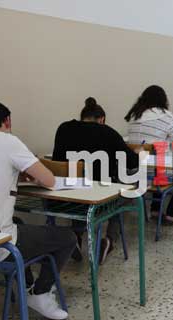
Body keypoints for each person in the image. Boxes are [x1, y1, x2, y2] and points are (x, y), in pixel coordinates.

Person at [0, 100, 75, 320]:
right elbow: (49, 180)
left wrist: (14, 173)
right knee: (67, 238)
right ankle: (40, 293)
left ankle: (25, 285)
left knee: (19, 223)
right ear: (6, 121)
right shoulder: (7, 141)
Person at [53, 97, 140, 263]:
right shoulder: (108, 132)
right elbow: (132, 162)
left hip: (67, 198)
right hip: (99, 202)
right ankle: (109, 239)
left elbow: (57, 160)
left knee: (79, 182)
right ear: (102, 119)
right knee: (128, 190)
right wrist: (136, 153)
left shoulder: (64, 128)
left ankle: (75, 236)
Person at [126, 85, 173, 223]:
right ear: (163, 100)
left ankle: (155, 210)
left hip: (134, 173)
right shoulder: (165, 116)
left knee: (157, 163)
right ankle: (172, 214)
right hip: (155, 175)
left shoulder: (134, 115)